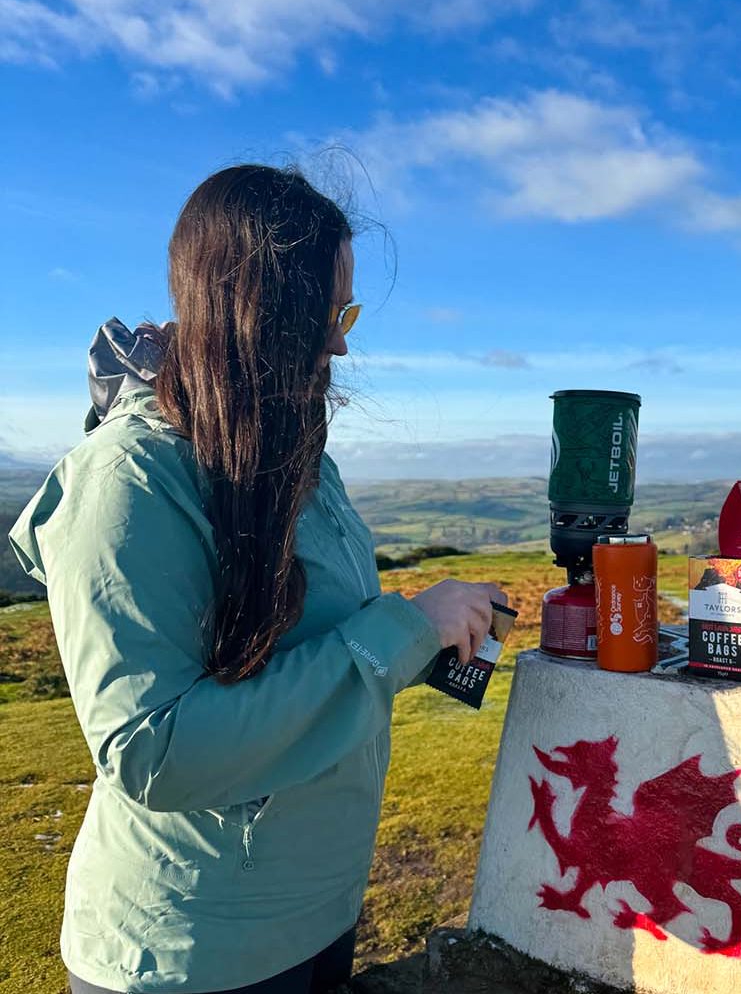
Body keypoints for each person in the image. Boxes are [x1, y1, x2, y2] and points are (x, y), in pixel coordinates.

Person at [8, 164, 507, 994]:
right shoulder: (129, 481)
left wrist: (436, 631)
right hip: (189, 954)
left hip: (318, 917)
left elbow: (320, 651)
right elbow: (152, 750)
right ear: (256, 312)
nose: (343, 342)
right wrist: (400, 628)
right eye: (331, 314)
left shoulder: (295, 461)